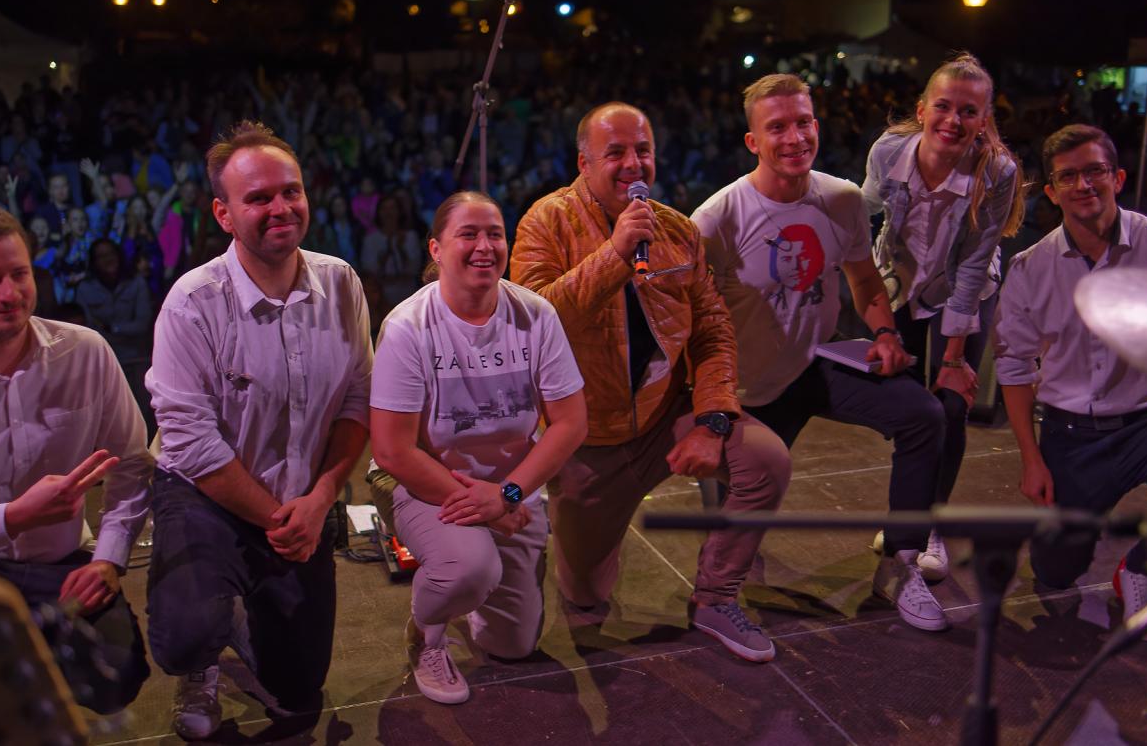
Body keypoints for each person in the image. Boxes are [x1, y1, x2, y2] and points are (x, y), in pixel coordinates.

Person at [511, 102, 793, 663]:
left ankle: (716, 598)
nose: (633, 164)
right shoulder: (545, 222)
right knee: (585, 596)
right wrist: (615, 254)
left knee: (766, 460)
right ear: (584, 163)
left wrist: (712, 420)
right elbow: (532, 323)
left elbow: (713, 331)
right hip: (588, 437)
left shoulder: (677, 230)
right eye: (615, 152)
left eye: (643, 150)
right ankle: (586, 560)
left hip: (666, 416)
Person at [691, 74, 949, 632]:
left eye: (803, 122)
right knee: (732, 536)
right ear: (752, 141)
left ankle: (901, 562)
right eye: (777, 127)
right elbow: (688, 320)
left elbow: (864, 279)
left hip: (814, 362)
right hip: (747, 389)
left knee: (925, 415)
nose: (795, 138)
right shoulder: (716, 219)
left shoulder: (842, 198)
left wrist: (885, 334)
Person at [145, 121, 372, 739]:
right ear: (223, 214)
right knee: (185, 632)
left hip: (301, 495)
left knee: (300, 689)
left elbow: (357, 401)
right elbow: (193, 445)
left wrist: (320, 499)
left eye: (290, 191)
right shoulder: (192, 303)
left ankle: (243, 618)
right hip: (204, 493)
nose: (281, 208)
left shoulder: (341, 282)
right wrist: (281, 519)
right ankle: (201, 657)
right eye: (259, 198)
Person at [0, 205, 152, 725]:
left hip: (59, 565)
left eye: (19, 274)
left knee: (116, 678)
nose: (9, 293)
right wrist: (11, 517)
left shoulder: (84, 352)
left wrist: (108, 560)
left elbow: (133, 466)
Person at [370, 191, 587, 704]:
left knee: (512, 645)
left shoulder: (536, 315)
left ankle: (467, 583)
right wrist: (490, 508)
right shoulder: (407, 327)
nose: (485, 246)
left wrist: (507, 495)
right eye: (468, 234)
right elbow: (393, 451)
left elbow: (571, 423)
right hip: (423, 483)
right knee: (470, 568)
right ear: (436, 249)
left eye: (495, 234)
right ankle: (426, 632)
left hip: (509, 490)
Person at [994, 123, 1147, 641]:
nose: (1083, 185)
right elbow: (1014, 367)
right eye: (1068, 176)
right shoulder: (1030, 268)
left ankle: (1141, 568)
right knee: (1056, 572)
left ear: (1118, 178)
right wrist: (1031, 458)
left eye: (1095, 171)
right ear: (1051, 191)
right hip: (1072, 434)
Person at [862, 53, 1025, 580]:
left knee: (951, 406)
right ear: (922, 109)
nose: (954, 120)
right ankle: (905, 520)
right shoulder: (889, 151)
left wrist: (954, 358)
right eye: (944, 106)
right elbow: (864, 210)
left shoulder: (996, 171)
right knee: (913, 410)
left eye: (969, 111)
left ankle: (930, 523)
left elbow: (974, 264)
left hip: (964, 290)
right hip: (905, 283)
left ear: (984, 120)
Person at [75, 238, 152, 363]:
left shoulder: (137, 283)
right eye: (101, 256)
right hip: (100, 357)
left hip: (135, 355)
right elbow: (85, 329)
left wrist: (112, 328)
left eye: (111, 253)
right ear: (94, 262)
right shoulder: (84, 288)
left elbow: (143, 324)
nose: (108, 259)